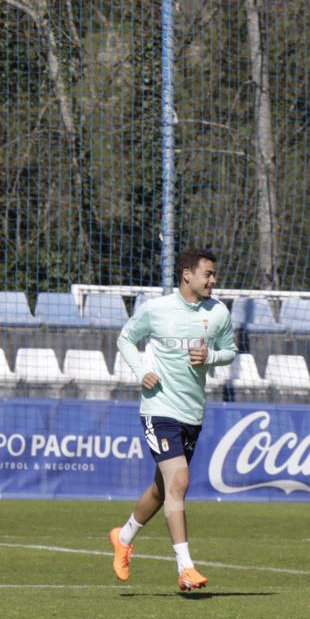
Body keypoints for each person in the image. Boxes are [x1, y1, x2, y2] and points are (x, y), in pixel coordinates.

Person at [108, 247, 238, 591]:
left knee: (162, 488)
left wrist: (212, 356)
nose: (213, 280)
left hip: (192, 412)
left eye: (213, 274)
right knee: (179, 481)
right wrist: (141, 371)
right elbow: (125, 339)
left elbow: (230, 351)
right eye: (207, 274)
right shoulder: (156, 310)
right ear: (187, 275)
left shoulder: (218, 313)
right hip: (158, 408)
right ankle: (185, 567)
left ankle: (123, 537)